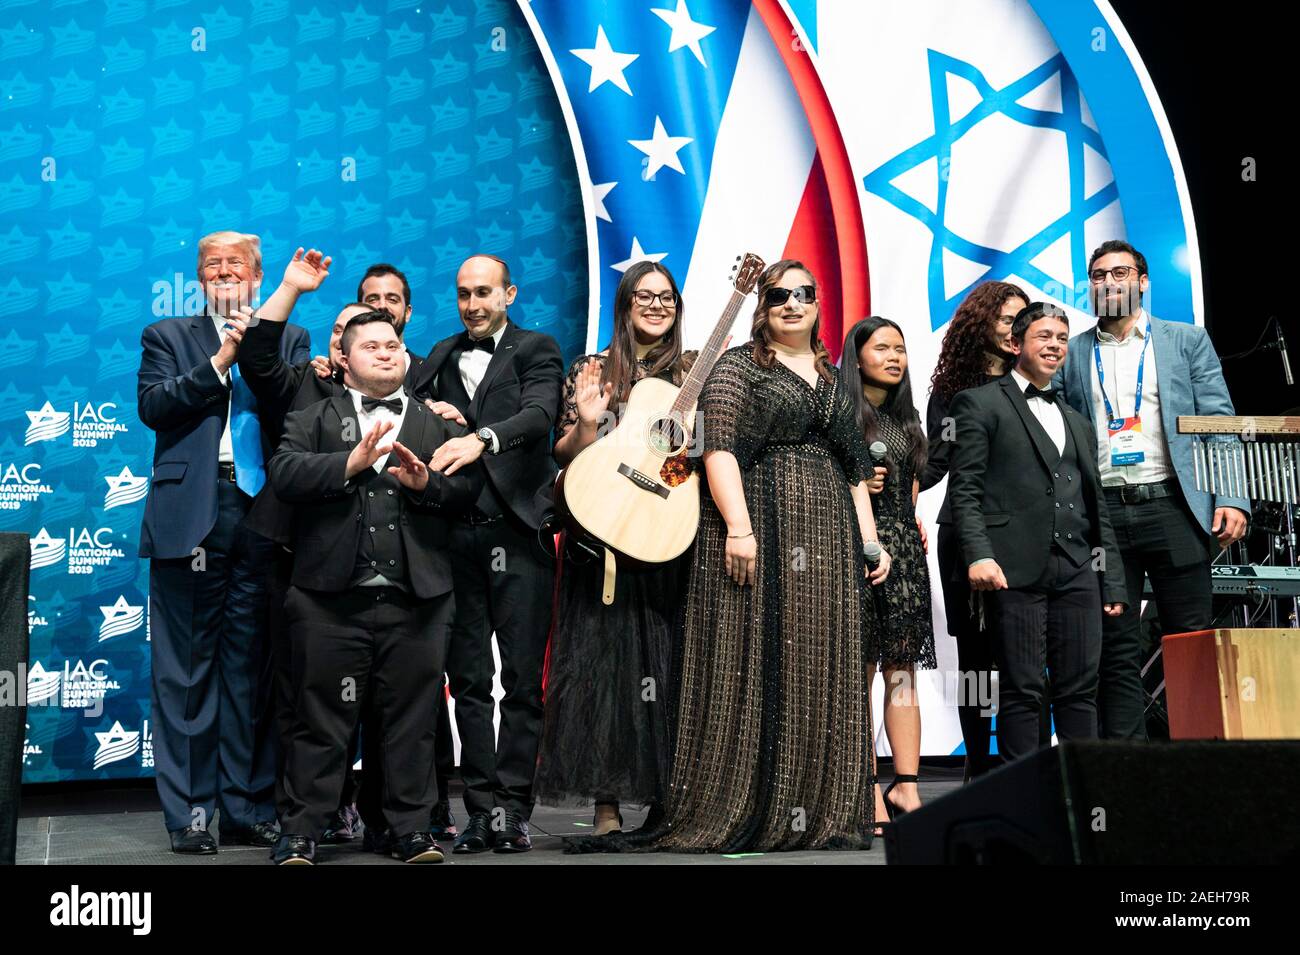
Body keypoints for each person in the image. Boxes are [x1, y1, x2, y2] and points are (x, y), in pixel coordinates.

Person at [577, 259, 892, 853]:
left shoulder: (831, 375)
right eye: (778, 296)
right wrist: (739, 529)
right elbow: (717, 449)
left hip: (828, 541)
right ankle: (748, 805)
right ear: (762, 306)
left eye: (804, 294)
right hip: (761, 526)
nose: (792, 305)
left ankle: (817, 807)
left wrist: (870, 540)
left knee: (817, 664)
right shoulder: (739, 366)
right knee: (754, 661)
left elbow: (854, 469)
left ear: (820, 304)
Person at [266, 313, 482, 865]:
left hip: (418, 603)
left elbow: (467, 494)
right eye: (371, 346)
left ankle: (408, 830)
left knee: (411, 725)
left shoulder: (439, 424)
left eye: (394, 345)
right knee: (319, 721)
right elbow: (286, 475)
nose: (386, 353)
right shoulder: (312, 417)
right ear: (343, 358)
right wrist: (348, 463)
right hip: (327, 601)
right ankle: (302, 832)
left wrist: (426, 484)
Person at [136, 230, 310, 853]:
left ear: (258, 275)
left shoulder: (289, 336)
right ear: (199, 277)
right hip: (192, 515)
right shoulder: (167, 336)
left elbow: (288, 403)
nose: (224, 272)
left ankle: (246, 804)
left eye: (236, 264)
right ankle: (193, 815)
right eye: (212, 265)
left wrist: (253, 346)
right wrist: (218, 363)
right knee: (186, 673)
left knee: (252, 667)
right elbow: (155, 406)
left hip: (263, 512)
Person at [1053, 240, 1249, 740]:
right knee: (1114, 648)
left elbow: (1218, 421)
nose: (1109, 282)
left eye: (1120, 273)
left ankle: (1198, 767)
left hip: (1172, 505)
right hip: (1104, 519)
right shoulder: (1073, 352)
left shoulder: (1185, 340)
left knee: (1190, 641)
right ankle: (1128, 777)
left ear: (1143, 281)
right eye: (1098, 275)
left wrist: (1229, 496)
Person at [535, 262, 697, 836]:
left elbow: (693, 463)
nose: (657, 306)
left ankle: (666, 801)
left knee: (668, 670)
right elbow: (566, 456)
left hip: (665, 539)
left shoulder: (694, 372)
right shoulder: (594, 370)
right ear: (625, 304)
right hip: (599, 542)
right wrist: (585, 424)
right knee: (602, 674)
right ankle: (606, 806)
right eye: (644, 297)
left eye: (666, 297)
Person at [411, 254, 564, 854]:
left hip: (518, 535)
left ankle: (513, 808)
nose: (473, 304)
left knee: (523, 681)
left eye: (483, 293)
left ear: (509, 294)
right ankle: (479, 810)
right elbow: (394, 406)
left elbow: (539, 416)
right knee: (468, 681)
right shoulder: (439, 357)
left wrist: (479, 434)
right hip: (453, 540)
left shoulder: (536, 348)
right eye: (463, 294)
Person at [949, 302, 1127, 763]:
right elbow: (965, 491)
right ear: (1014, 344)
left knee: (1080, 690)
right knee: (1022, 689)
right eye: (1043, 336)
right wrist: (978, 555)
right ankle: (1022, 804)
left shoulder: (1079, 422)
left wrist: (1112, 579)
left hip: (1077, 569)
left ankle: (1082, 799)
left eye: (1062, 338)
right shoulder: (979, 402)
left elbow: (1096, 506)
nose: (1054, 345)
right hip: (1012, 567)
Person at [921, 280, 1027, 779]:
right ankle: (978, 769)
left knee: (1020, 655)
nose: (1014, 328)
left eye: (1020, 319)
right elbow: (936, 462)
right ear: (981, 322)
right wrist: (889, 492)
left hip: (1024, 532)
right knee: (974, 662)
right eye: (1006, 318)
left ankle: (1016, 766)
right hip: (962, 535)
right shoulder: (949, 391)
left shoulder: (1039, 383)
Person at [840, 317, 935, 827]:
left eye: (901, 347)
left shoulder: (907, 420)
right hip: (855, 548)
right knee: (860, 672)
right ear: (856, 358)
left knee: (903, 673)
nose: (895, 356)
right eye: (883, 348)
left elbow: (913, 489)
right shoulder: (842, 414)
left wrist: (909, 521)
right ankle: (865, 787)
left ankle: (908, 788)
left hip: (903, 550)